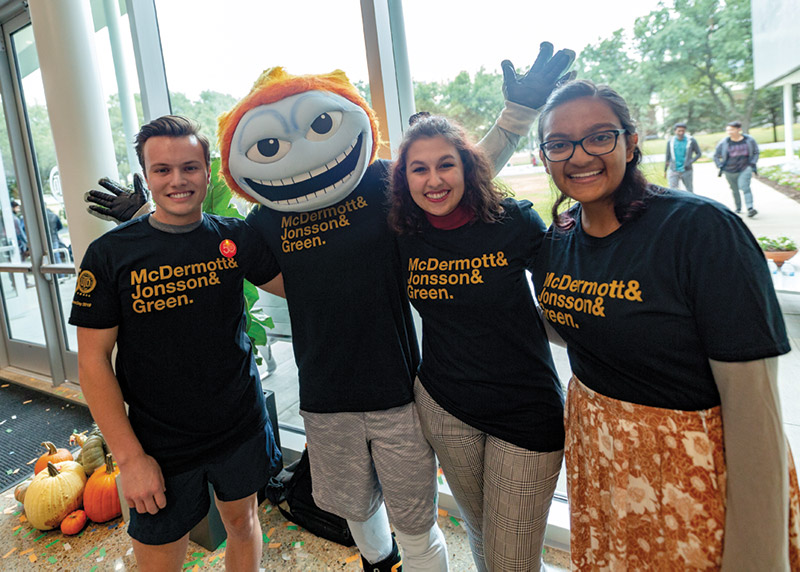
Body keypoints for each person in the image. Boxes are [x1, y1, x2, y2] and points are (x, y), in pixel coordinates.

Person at [84, 45, 575, 571]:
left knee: (416, 518)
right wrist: (147, 221)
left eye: (188, 169)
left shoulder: (380, 184)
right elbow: (201, 243)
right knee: (356, 508)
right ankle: (379, 562)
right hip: (322, 397)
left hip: (401, 391)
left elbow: (449, 181)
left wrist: (516, 117)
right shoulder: (267, 217)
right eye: (163, 170)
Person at [532, 79, 799, 570]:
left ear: (631, 143)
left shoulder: (701, 232)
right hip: (601, 458)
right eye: (559, 143)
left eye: (599, 136)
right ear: (544, 156)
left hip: (690, 469)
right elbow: (571, 322)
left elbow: (755, 411)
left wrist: (758, 558)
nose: (579, 155)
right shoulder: (561, 234)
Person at [69, 115, 283, 571]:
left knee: (243, 523)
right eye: (162, 170)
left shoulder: (234, 237)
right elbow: (92, 363)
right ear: (147, 177)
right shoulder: (111, 255)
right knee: (161, 558)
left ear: (208, 172)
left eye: (189, 167)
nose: (177, 180)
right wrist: (129, 459)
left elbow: (298, 284)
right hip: (158, 444)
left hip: (239, 424)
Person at [387, 115, 564, 572]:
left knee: (512, 561)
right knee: (483, 529)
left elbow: (567, 301)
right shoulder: (404, 235)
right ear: (404, 179)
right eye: (419, 169)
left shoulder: (513, 220)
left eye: (446, 164)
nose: (434, 180)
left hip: (526, 410)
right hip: (445, 406)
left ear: (467, 166)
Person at [714, 120, 760, 217]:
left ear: (739, 129)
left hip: (745, 167)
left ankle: (750, 208)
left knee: (744, 186)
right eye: (728, 130)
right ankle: (738, 207)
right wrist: (719, 165)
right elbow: (716, 155)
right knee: (734, 189)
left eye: (731, 130)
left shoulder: (749, 140)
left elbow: (756, 152)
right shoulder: (724, 142)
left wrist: (752, 163)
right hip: (729, 169)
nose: (729, 132)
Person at [663, 122, 701, 192]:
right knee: (673, 191)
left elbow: (699, 153)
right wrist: (665, 170)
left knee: (689, 190)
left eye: (683, 131)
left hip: (687, 170)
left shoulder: (691, 140)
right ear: (675, 131)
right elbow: (667, 156)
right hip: (673, 170)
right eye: (679, 131)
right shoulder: (671, 141)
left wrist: (690, 162)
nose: (681, 133)